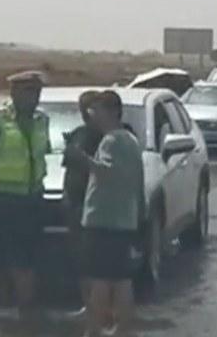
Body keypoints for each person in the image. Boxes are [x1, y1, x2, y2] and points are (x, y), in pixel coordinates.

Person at [0, 70, 50, 320]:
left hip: (31, 199)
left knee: (26, 258)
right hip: (1, 200)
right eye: (29, 92)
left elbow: (40, 154)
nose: (34, 97)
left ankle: (27, 310)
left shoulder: (41, 120)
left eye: (37, 92)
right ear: (14, 93)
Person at [71, 90, 145, 337]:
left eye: (98, 111)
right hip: (123, 221)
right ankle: (123, 329)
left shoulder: (112, 140)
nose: (94, 116)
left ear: (111, 112)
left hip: (103, 220)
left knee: (100, 279)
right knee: (121, 279)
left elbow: (108, 172)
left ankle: (94, 329)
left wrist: (82, 159)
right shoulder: (131, 141)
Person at [61, 90, 102, 316]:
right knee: (81, 259)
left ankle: (102, 308)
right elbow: (69, 167)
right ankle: (88, 305)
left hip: (100, 207)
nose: (86, 113)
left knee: (101, 262)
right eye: (83, 108)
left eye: (90, 108)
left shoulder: (114, 135)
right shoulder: (78, 134)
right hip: (76, 204)